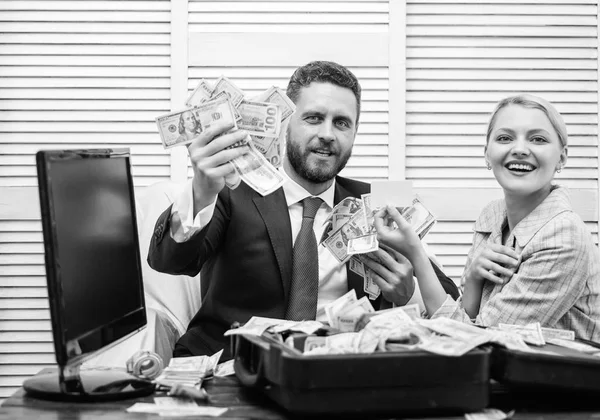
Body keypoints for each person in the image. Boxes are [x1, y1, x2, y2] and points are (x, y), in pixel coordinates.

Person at [148, 61, 459, 359]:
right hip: (235, 366)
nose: (327, 133)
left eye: (342, 123)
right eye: (313, 117)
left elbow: (450, 305)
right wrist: (201, 191)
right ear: (285, 123)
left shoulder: (380, 202)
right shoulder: (231, 189)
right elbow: (170, 261)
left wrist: (409, 293)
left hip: (336, 373)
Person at [372, 94, 600, 342]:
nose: (520, 150)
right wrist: (472, 282)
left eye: (538, 139)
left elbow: (476, 345)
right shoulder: (492, 216)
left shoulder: (563, 235)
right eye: (505, 138)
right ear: (487, 155)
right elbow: (462, 321)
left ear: (562, 158)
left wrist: (416, 253)